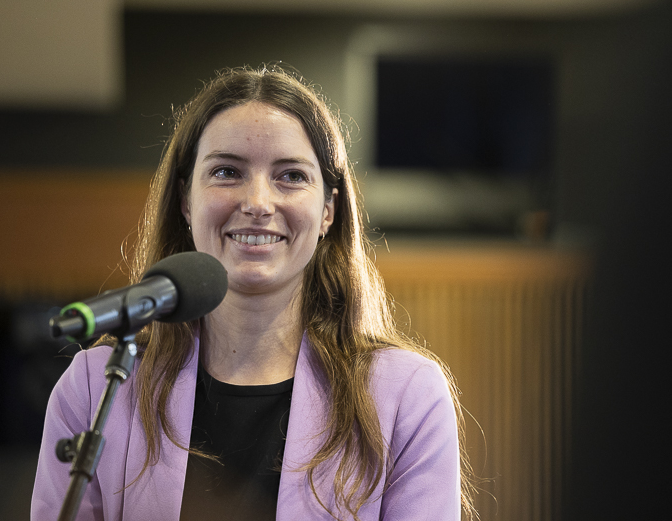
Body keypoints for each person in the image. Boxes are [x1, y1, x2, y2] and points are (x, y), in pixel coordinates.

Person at [31, 65, 477, 520]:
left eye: (291, 176)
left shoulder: (406, 396)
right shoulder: (95, 387)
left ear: (328, 210)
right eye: (227, 171)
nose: (258, 203)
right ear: (186, 200)